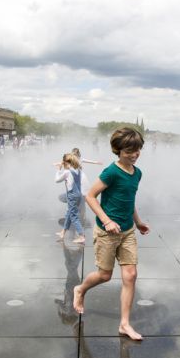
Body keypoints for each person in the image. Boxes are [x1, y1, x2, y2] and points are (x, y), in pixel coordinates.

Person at [73, 128, 150, 341]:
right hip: (106, 233)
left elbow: (129, 200)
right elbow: (90, 196)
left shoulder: (137, 173)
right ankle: (80, 289)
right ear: (118, 150)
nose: (134, 154)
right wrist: (107, 221)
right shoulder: (111, 172)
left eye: (137, 150)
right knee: (104, 275)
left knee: (130, 275)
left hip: (127, 232)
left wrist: (139, 222)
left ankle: (125, 324)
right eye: (129, 151)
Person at [55, 153, 86, 244]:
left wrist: (58, 170)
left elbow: (56, 180)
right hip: (77, 195)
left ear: (65, 162)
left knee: (73, 216)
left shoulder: (67, 172)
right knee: (69, 213)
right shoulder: (77, 170)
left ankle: (81, 236)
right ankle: (63, 232)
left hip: (72, 195)